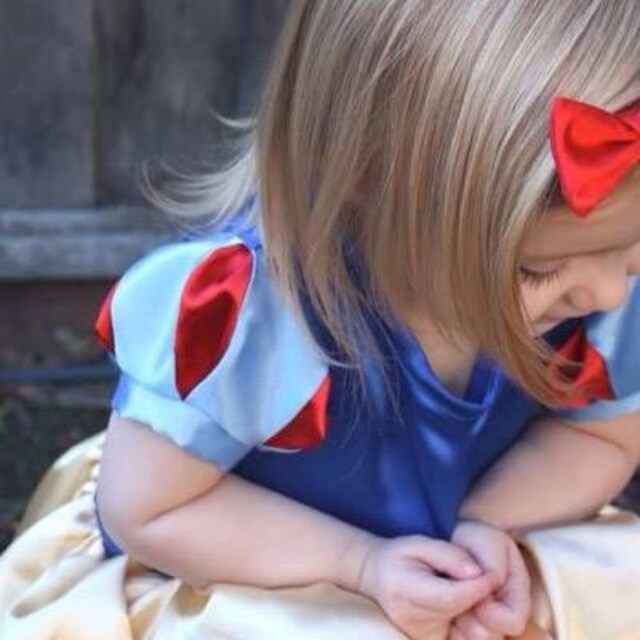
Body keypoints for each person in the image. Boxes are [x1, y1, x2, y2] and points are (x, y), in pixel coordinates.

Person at [1, 2, 639, 639]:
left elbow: (604, 438)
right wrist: (358, 563)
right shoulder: (250, 316)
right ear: (368, 181)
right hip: (238, 560)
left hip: (453, 528)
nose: (611, 292)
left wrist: (483, 528)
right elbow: (150, 512)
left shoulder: (591, 285)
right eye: (537, 271)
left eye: (633, 252)